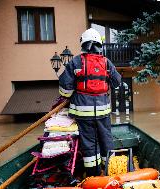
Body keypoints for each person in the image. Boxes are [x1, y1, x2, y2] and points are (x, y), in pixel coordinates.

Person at [58, 28, 121, 176]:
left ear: (83, 44)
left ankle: (93, 175)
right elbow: (117, 82)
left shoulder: (75, 62)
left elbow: (64, 89)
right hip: (103, 112)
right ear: (99, 45)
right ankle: (110, 171)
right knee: (106, 139)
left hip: (82, 113)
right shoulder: (106, 62)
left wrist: (72, 93)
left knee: (89, 143)